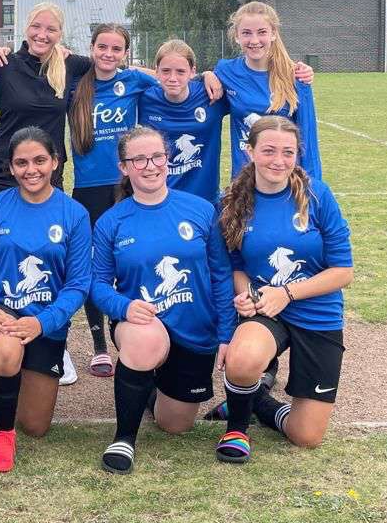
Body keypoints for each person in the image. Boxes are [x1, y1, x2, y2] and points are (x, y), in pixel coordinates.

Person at [0, 2, 92, 384]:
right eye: (36, 27)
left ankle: (54, 341)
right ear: (25, 28)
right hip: (3, 170)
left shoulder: (71, 66)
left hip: (49, 171)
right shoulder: (3, 63)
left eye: (50, 29)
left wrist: (204, 77)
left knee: (55, 256)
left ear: (60, 34)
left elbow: (116, 63)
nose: (42, 35)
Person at [90, 126, 234, 474]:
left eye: (157, 156)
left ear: (167, 159)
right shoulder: (113, 221)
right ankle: (124, 438)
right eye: (138, 159)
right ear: (124, 167)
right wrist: (123, 307)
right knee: (145, 338)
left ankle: (148, 389)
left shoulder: (200, 210)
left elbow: (221, 275)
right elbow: (96, 285)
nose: (150, 165)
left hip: (194, 329)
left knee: (175, 424)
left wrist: (226, 334)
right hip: (140, 323)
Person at [213, 116, 353, 463]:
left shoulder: (317, 195)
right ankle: (237, 428)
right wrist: (248, 295)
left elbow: (342, 271)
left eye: (288, 152)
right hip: (266, 311)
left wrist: (286, 293)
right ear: (250, 152)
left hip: (316, 311)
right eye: (269, 150)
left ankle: (258, 400)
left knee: (306, 437)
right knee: (242, 359)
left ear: (297, 155)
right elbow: (235, 265)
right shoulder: (231, 201)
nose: (278, 160)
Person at [0, 127, 92, 472]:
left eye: (40, 160)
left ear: (55, 161)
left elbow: (78, 284)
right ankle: (2, 433)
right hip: (1, 316)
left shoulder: (74, 214)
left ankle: (10, 376)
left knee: (36, 426)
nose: (31, 170)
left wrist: (43, 322)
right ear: (10, 168)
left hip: (43, 325)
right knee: (7, 352)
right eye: (21, 163)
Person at [66, 24, 157, 378]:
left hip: (124, 187)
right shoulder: (75, 85)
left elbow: (170, 77)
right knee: (93, 266)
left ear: (125, 53)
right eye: (102, 47)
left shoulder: (133, 80)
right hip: (87, 190)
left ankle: (131, 333)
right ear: (91, 48)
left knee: (129, 259)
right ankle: (99, 346)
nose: (108, 54)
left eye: (116, 49)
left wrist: (209, 76)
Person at [204, 2, 322, 179]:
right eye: (246, 33)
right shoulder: (226, 71)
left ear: (273, 33)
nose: (254, 41)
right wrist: (205, 74)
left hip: (283, 181)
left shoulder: (297, 76)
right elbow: (182, 82)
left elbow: (308, 139)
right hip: (244, 183)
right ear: (236, 36)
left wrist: (312, 187)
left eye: (262, 32)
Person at [138, 39, 228, 204]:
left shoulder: (211, 94)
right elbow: (120, 72)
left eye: (180, 71)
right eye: (165, 71)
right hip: (162, 201)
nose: (173, 78)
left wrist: (209, 74)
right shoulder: (144, 98)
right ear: (156, 71)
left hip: (205, 201)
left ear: (192, 71)